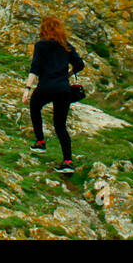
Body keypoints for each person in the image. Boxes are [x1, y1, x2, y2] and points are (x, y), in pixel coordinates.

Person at [21, 15, 84, 174]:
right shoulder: (66, 46)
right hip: (63, 89)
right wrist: (67, 75)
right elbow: (80, 64)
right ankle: (68, 162)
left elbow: (35, 68)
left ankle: (40, 142)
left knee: (35, 106)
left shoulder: (40, 46)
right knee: (60, 125)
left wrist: (27, 89)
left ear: (44, 29)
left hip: (46, 87)